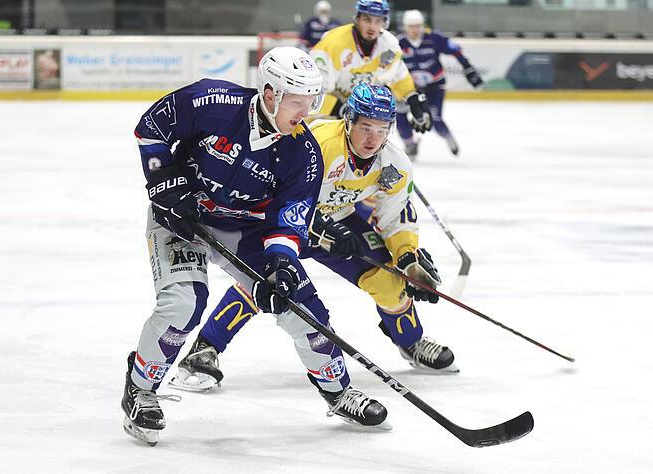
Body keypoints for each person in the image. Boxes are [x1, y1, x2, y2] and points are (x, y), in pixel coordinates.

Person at [122, 46, 389, 446]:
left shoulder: (304, 153)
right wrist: (166, 183)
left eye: (312, 103)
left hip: (245, 231)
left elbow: (289, 217)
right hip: (181, 218)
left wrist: (280, 265)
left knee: (303, 306)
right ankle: (140, 389)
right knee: (182, 303)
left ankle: (337, 391)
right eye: (298, 103)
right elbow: (152, 127)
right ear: (270, 95)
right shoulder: (211, 101)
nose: (306, 114)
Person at [170, 84, 457, 394]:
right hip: (283, 220)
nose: (373, 138)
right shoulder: (318, 144)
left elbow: (394, 217)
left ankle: (410, 341)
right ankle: (204, 349)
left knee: (389, 278)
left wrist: (408, 258)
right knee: (271, 280)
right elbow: (279, 194)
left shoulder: (395, 165)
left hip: (338, 219)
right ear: (349, 120)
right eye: (365, 127)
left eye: (382, 129)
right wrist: (317, 228)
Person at [308, 0, 432, 136]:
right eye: (367, 19)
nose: (372, 26)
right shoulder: (333, 43)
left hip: (361, 120)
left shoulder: (389, 46)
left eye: (378, 21)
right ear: (357, 19)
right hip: (325, 120)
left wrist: (413, 99)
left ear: (385, 23)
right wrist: (343, 109)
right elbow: (312, 92)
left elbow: (398, 75)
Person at [396, 9, 484, 159]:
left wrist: (468, 67)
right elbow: (389, 66)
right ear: (405, 27)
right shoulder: (398, 43)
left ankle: (448, 137)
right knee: (400, 115)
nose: (414, 30)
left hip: (434, 86)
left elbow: (456, 50)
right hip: (410, 89)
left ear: (422, 25)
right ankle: (410, 145)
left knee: (434, 119)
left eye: (417, 26)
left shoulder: (435, 38)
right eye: (411, 26)